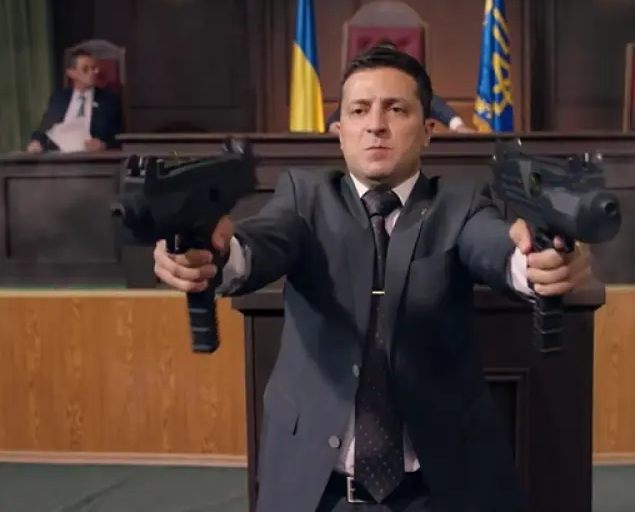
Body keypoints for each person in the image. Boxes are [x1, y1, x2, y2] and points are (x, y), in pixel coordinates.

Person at [153, 46, 595, 512]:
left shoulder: (460, 202)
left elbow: (497, 250)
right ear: (340, 133)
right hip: (316, 490)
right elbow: (257, 246)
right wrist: (214, 255)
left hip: (437, 490)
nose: (376, 125)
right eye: (359, 110)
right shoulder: (304, 197)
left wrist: (537, 263)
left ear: (428, 131)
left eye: (396, 109)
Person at [326, 41, 474, 134]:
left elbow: (435, 105)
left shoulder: (408, 87)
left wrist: (458, 126)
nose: (376, 126)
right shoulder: (358, 91)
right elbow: (335, 121)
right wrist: (337, 128)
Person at [26, 49, 124, 153]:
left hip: (92, 157)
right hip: (59, 156)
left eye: (94, 68)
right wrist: (36, 142)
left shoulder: (109, 100)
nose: (92, 73)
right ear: (72, 73)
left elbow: (119, 139)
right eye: (85, 69)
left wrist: (103, 146)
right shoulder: (59, 98)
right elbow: (44, 129)